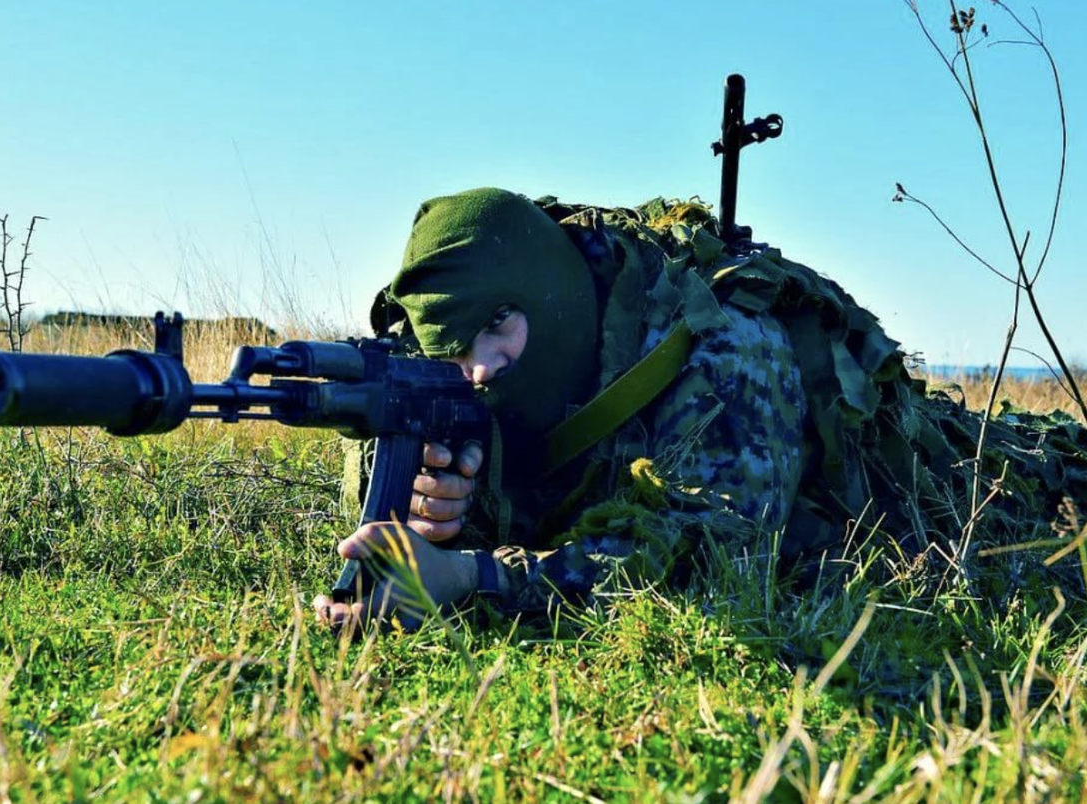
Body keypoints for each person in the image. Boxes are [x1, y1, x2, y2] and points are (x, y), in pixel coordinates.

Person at [313, 188, 1087, 629]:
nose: (478, 370)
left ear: (548, 297)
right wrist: (444, 504)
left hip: (965, 498)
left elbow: (709, 563)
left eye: (498, 326)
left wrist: (474, 577)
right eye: (454, 350)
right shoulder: (492, 371)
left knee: (1054, 473)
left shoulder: (720, 348)